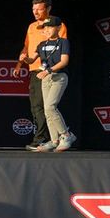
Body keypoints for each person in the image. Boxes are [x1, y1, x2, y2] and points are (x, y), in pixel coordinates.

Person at [18, 0, 67, 150]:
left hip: (50, 72)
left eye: (39, 9)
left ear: (48, 9)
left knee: (47, 106)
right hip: (35, 71)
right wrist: (20, 63)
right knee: (37, 107)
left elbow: (60, 48)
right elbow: (27, 47)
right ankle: (49, 139)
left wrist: (49, 68)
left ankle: (48, 138)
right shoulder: (32, 27)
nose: (36, 12)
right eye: (34, 9)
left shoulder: (58, 25)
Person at [29, 16, 75, 152]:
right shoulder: (41, 45)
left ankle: (66, 135)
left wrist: (48, 70)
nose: (47, 30)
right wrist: (25, 58)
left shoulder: (63, 42)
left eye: (50, 27)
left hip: (59, 76)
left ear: (59, 28)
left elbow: (64, 62)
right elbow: (32, 60)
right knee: (47, 110)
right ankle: (54, 140)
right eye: (45, 28)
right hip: (46, 78)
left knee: (50, 107)